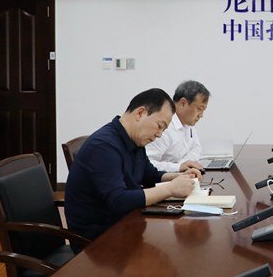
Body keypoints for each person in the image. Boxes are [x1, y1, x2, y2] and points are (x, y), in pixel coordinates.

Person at [65, 88, 199, 240]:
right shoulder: (103, 146)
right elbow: (119, 201)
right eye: (159, 126)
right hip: (99, 240)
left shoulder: (134, 140)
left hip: (125, 224)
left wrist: (179, 176)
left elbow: (149, 174)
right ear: (140, 113)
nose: (159, 134)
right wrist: (170, 189)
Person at [145, 80, 209, 175]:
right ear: (183, 103)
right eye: (199, 109)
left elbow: (197, 148)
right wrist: (178, 167)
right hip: (161, 180)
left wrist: (184, 163)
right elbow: (147, 164)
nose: (201, 115)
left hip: (179, 176)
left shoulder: (188, 123)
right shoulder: (163, 127)